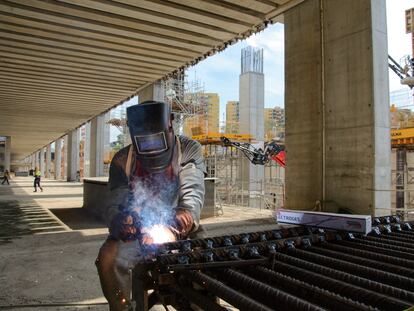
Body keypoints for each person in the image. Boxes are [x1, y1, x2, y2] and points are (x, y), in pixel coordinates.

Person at [95, 101, 205, 311]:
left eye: (157, 141)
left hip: (180, 227)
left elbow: (193, 189)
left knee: (205, 260)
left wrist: (185, 215)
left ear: (170, 126)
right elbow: (115, 202)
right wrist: (119, 221)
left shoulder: (189, 149)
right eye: (145, 144)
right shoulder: (121, 160)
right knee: (108, 258)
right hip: (137, 231)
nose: (152, 150)